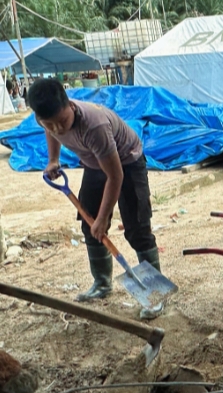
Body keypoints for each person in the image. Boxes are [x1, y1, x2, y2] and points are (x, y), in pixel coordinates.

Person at [27, 78, 164, 317]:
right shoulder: (46, 119)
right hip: (95, 163)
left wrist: (103, 218)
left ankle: (155, 293)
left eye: (62, 121)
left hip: (126, 162)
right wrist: (53, 160)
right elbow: (50, 132)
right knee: (88, 221)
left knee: (137, 228)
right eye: (50, 124)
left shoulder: (94, 126)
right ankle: (102, 283)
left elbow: (116, 176)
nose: (58, 128)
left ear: (69, 105)